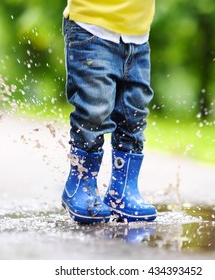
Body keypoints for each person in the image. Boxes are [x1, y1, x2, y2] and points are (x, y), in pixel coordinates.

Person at [61, 0, 157, 224]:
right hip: (91, 28)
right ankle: (80, 184)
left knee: (134, 115)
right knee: (93, 112)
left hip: (138, 35)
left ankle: (122, 191)